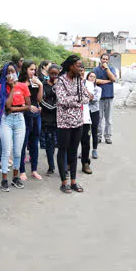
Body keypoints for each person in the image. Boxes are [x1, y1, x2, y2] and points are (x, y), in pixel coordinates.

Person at [55, 55, 90, 194]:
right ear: (71, 66)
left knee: (74, 151)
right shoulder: (61, 81)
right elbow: (62, 100)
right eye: (78, 65)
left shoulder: (78, 81)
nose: (80, 68)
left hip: (77, 122)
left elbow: (87, 98)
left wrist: (74, 100)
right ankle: (64, 182)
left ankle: (74, 181)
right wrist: (78, 100)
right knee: (63, 150)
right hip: (64, 122)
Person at [0, 63, 30, 192]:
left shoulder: (23, 86)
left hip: (19, 120)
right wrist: (11, 87)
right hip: (6, 120)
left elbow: (28, 106)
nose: (11, 74)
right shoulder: (1, 87)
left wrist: (15, 108)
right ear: (5, 74)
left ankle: (15, 177)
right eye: (8, 71)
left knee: (18, 151)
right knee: (6, 150)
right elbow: (6, 107)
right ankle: (4, 178)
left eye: (13, 71)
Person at [18, 60, 43, 181]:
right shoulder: (20, 83)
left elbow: (38, 100)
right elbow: (18, 100)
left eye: (34, 70)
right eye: (31, 69)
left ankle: (34, 170)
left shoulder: (36, 82)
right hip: (24, 114)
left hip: (36, 115)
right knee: (23, 143)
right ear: (25, 70)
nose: (33, 72)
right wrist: (28, 106)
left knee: (34, 143)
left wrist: (40, 85)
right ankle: (22, 170)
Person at [40, 64, 60, 175]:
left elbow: (62, 98)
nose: (54, 76)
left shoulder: (60, 85)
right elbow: (41, 100)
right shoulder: (43, 85)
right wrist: (51, 107)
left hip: (59, 117)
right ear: (48, 73)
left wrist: (57, 87)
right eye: (52, 73)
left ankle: (64, 167)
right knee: (49, 143)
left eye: (56, 74)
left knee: (60, 143)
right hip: (47, 117)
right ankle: (51, 166)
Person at [93, 54, 116, 144]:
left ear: (108, 60)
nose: (105, 61)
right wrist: (107, 81)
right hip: (99, 98)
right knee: (99, 118)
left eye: (106, 59)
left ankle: (108, 136)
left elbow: (113, 78)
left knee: (108, 119)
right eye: (103, 59)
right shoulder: (95, 70)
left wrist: (107, 69)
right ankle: (98, 136)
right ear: (100, 59)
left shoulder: (111, 68)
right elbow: (95, 80)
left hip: (109, 96)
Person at [80, 68, 98, 174]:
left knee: (86, 142)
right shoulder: (70, 82)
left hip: (85, 117)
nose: (81, 72)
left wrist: (83, 87)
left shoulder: (89, 84)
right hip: (73, 117)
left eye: (82, 70)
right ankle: (69, 163)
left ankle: (85, 163)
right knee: (72, 143)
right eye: (79, 69)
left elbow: (90, 97)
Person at [86, 71, 101, 160]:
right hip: (85, 111)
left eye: (94, 77)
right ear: (87, 78)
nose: (92, 78)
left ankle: (94, 150)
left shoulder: (98, 89)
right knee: (85, 132)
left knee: (94, 131)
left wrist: (87, 95)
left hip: (94, 111)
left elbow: (95, 99)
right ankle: (84, 150)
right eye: (90, 76)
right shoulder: (83, 87)